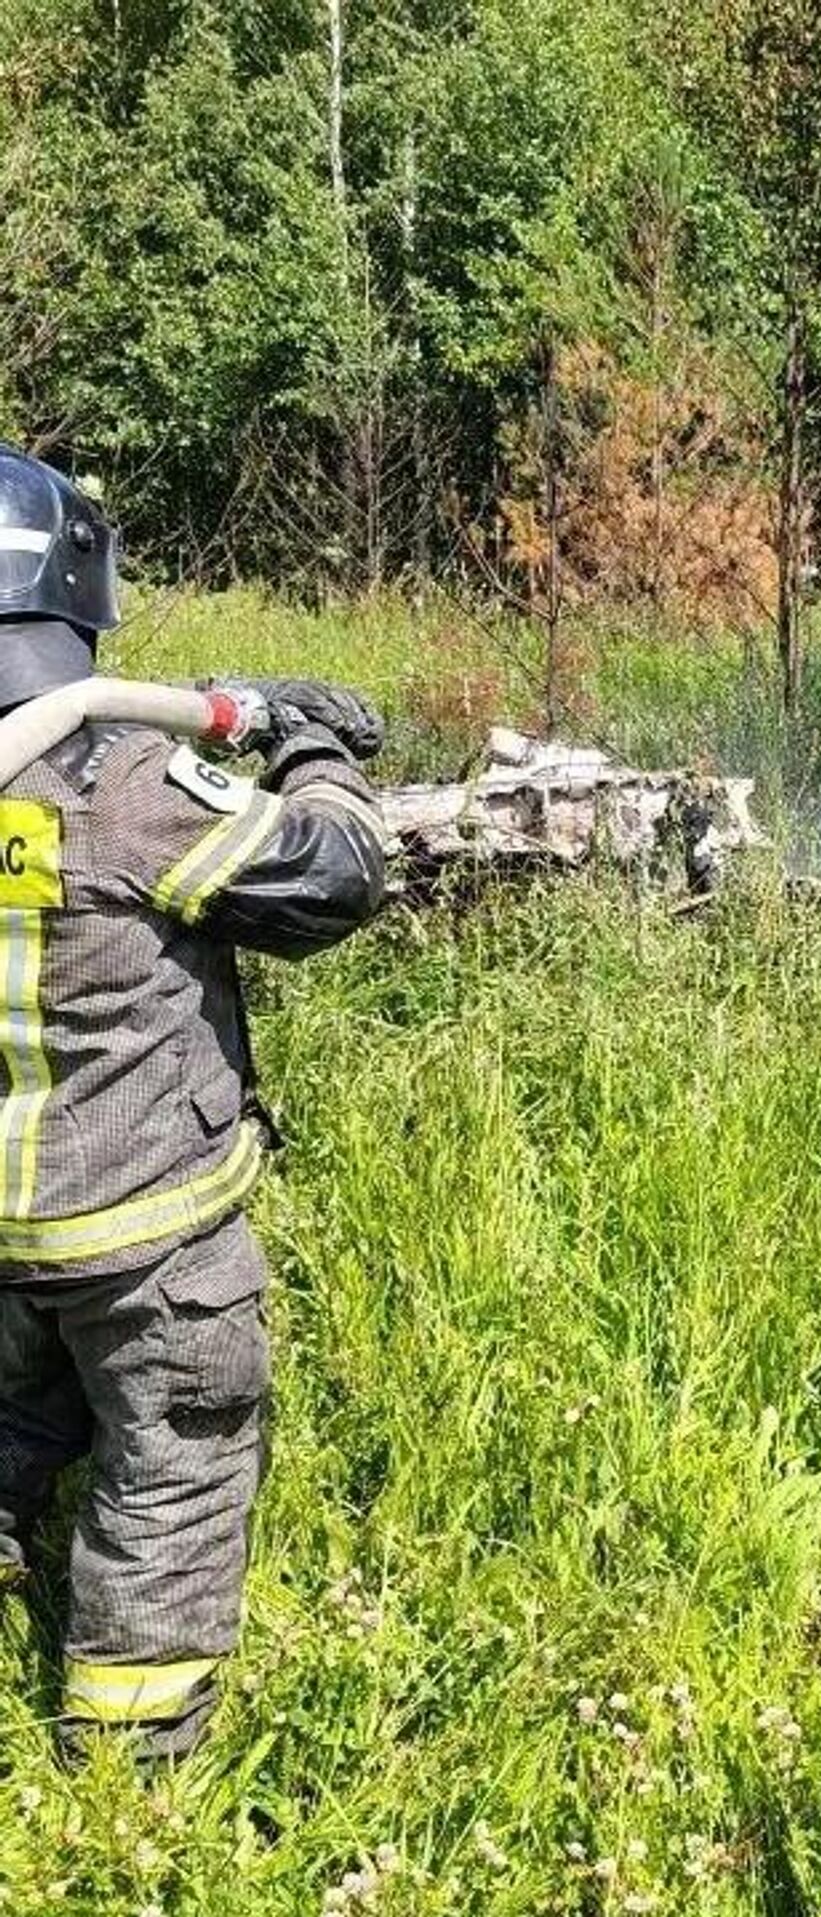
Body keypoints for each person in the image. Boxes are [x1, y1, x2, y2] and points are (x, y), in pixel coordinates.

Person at [0, 444, 388, 1760]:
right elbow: (331, 875)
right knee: (170, 1465)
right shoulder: (119, 790)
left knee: (12, 1424)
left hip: (8, 1237)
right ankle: (128, 1763)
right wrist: (317, 747)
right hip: (145, 1243)